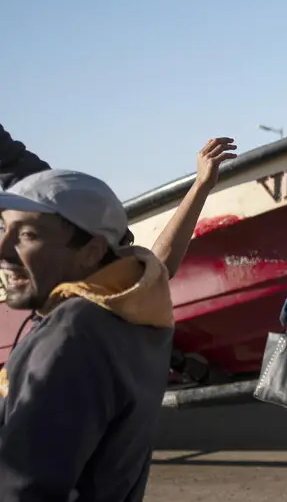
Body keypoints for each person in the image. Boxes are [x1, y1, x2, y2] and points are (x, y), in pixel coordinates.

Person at [0, 169, 175, 500]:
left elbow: (21, 489)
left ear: (92, 252)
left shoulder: (73, 337)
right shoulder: (131, 316)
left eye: (27, 235)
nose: (2, 249)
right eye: (2, 228)